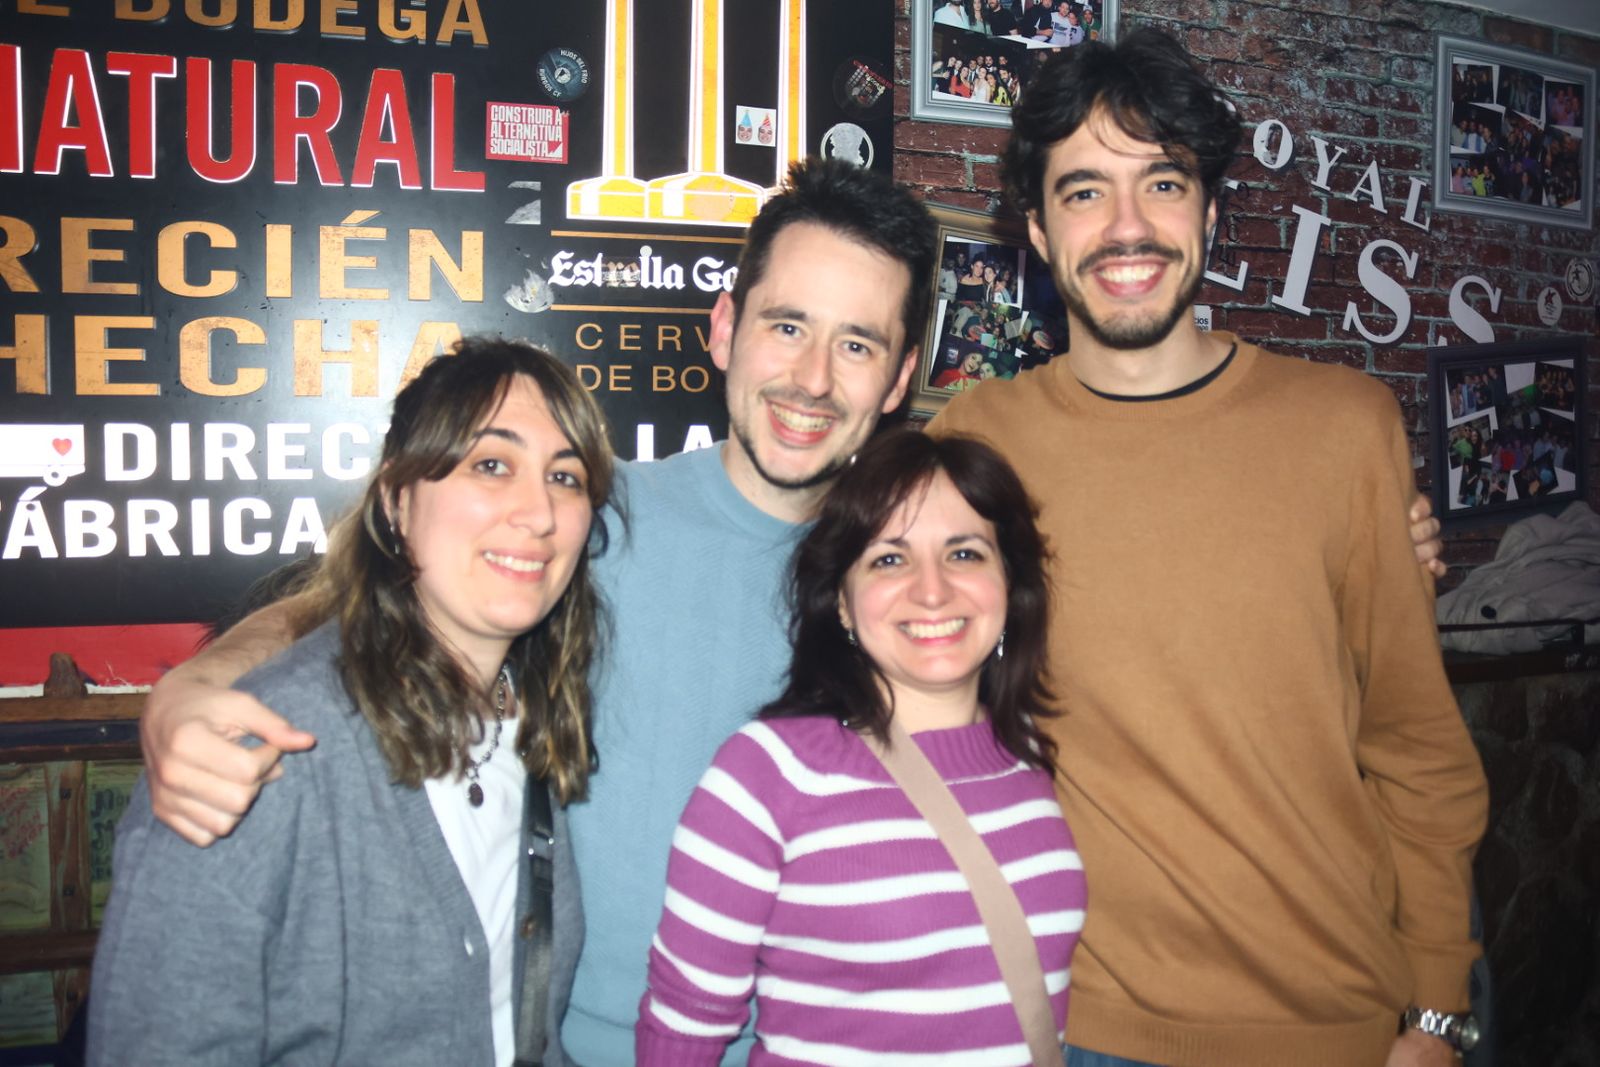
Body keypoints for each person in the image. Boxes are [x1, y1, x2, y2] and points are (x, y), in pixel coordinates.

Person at [129, 155, 1447, 1064]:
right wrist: (202, 680)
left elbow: (1182, 545)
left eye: (860, 344)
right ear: (723, 327)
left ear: (905, 378)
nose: (813, 378)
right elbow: (379, 574)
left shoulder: (919, 579)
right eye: (788, 326)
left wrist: (1381, 527)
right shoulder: (594, 515)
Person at [929, 28, 1488, 1067]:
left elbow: (1417, 749)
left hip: (1337, 1020)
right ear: (1040, 236)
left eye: (1163, 183)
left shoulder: (1344, 427)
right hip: (1081, 1020)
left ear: (1210, 214)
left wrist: (1438, 1005)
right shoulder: (974, 444)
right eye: (1084, 191)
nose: (1126, 227)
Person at [88, 339, 614, 1065]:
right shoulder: (256, 746)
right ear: (399, 500)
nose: (539, 511)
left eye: (567, 476)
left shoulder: (532, 716)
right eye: (491, 464)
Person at [635, 430, 1085, 1064]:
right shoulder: (768, 775)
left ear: (1009, 583)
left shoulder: (1026, 753)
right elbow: (685, 1024)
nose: (933, 591)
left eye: (964, 554)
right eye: (889, 559)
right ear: (843, 604)